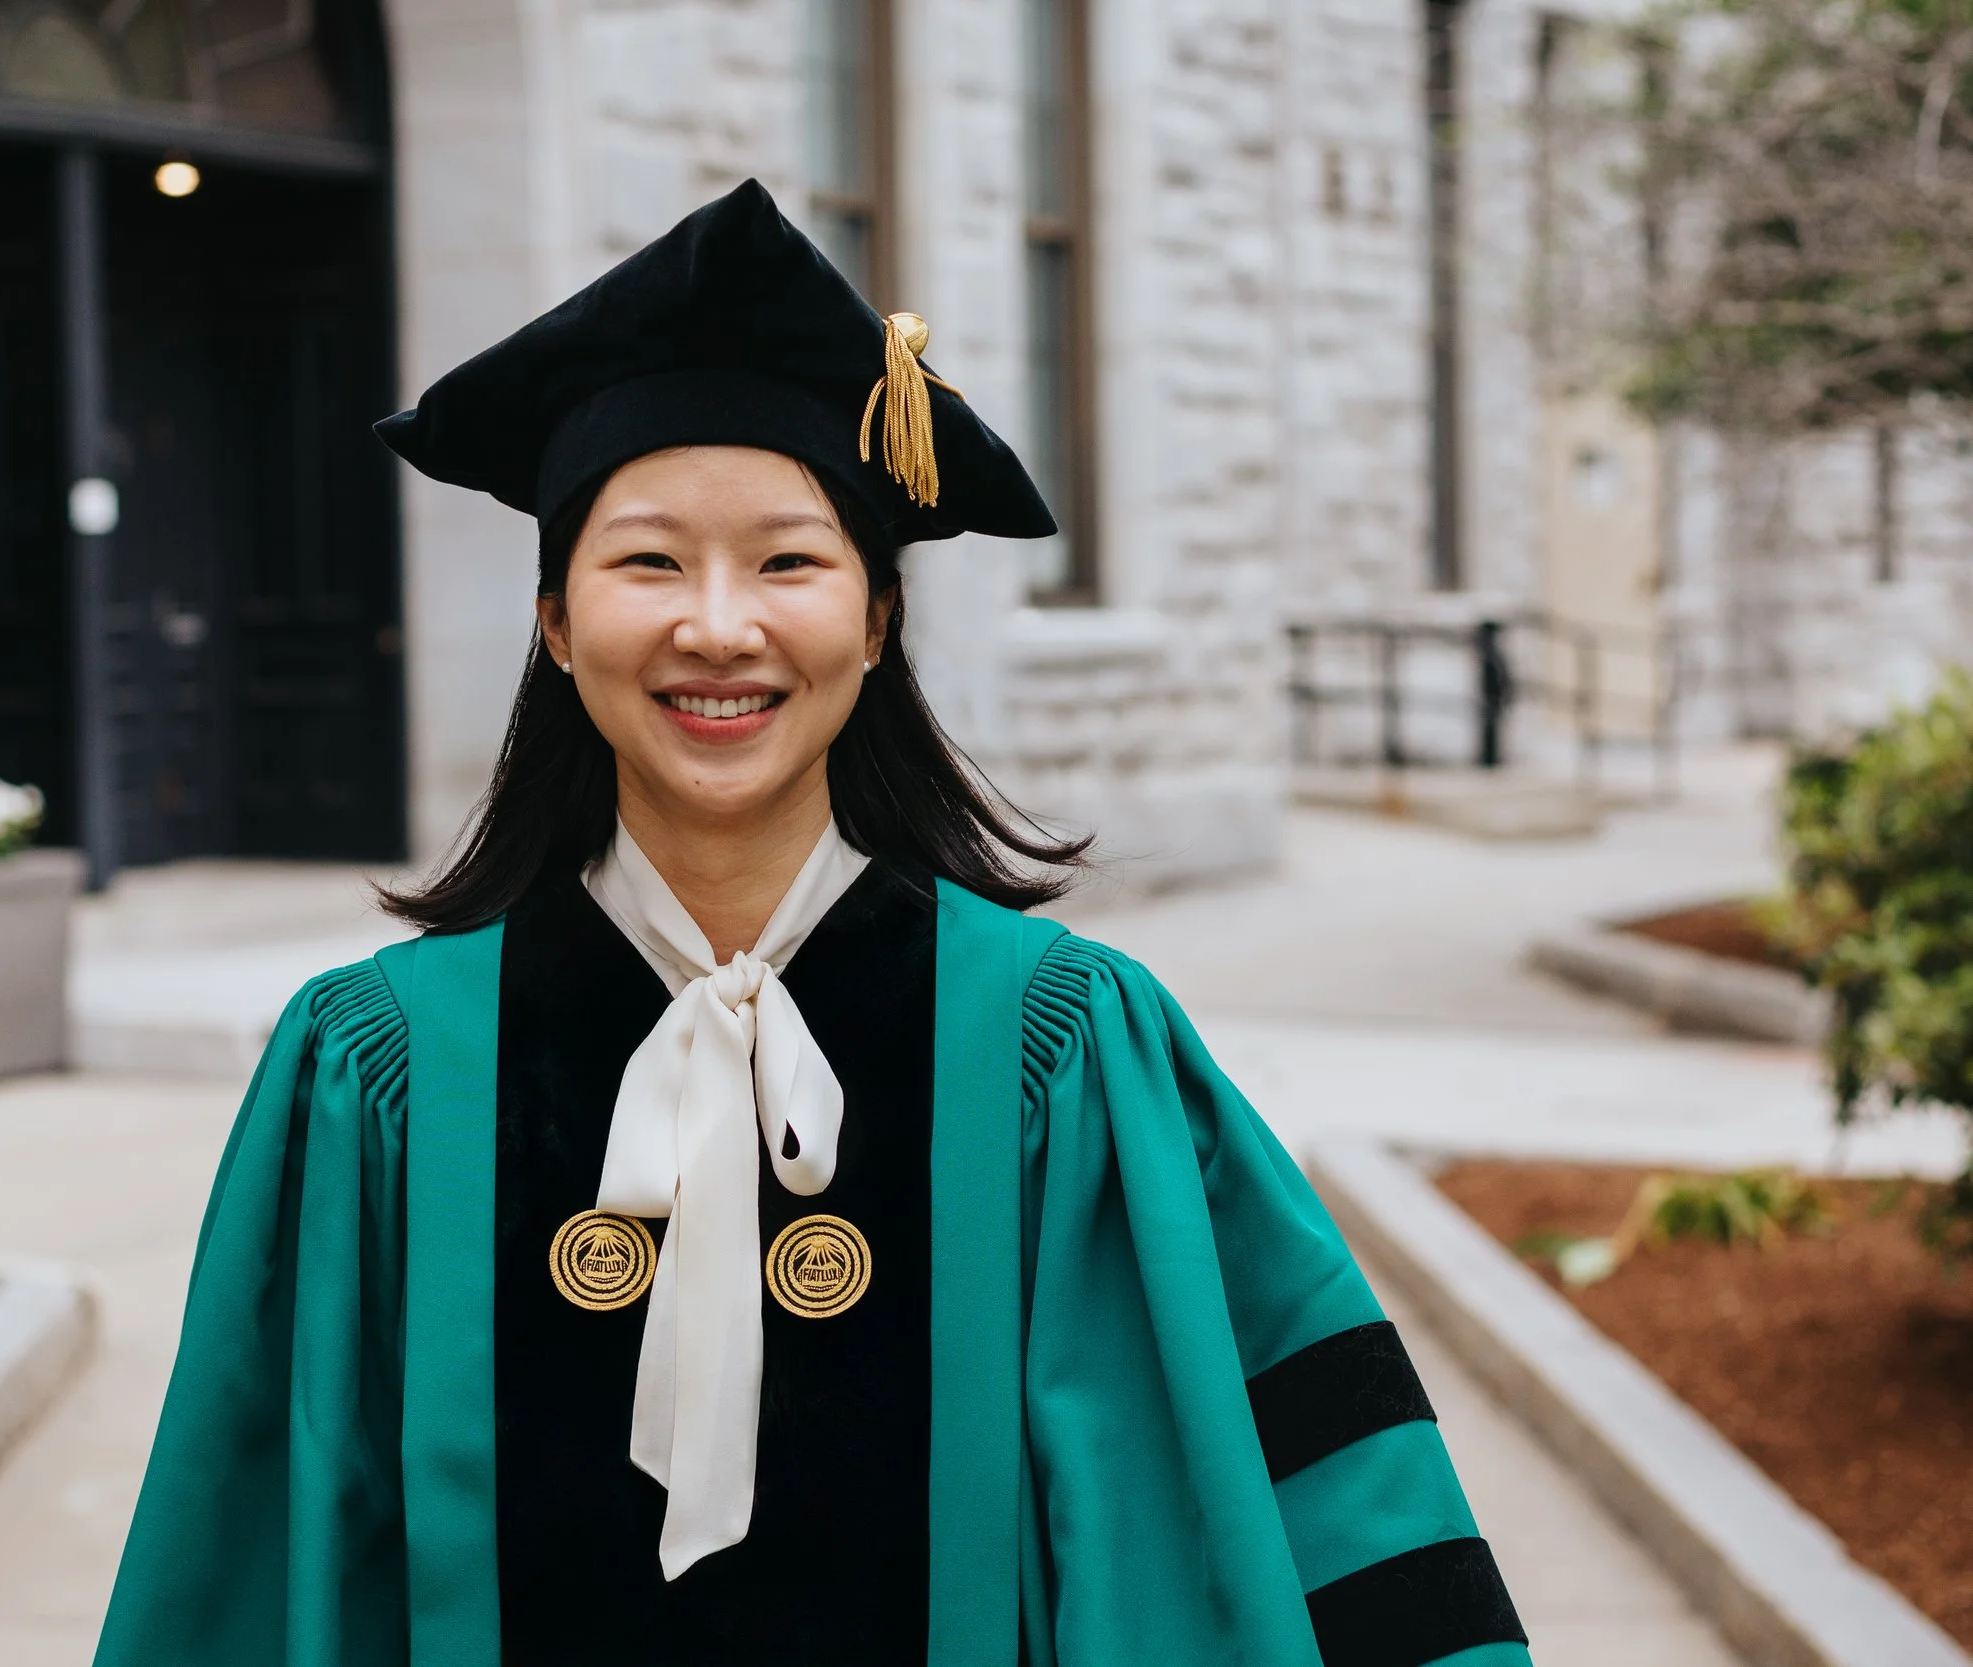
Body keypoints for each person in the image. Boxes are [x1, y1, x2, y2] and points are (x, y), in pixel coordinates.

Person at [92, 180, 1530, 1667]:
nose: (720, 627)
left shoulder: (1061, 1053)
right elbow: (254, 1551)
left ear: (878, 617)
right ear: (557, 620)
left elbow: (1260, 1504)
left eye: (788, 560)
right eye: (648, 561)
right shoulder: (384, 1072)